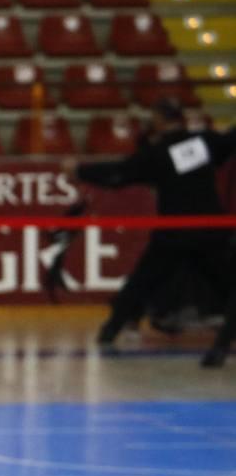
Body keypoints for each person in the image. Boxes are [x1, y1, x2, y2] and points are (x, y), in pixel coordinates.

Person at [65, 98, 236, 354]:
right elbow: (228, 143)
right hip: (209, 230)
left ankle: (110, 330)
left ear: (158, 120)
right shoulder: (204, 142)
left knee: (142, 281)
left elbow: (120, 173)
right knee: (226, 282)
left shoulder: (158, 154)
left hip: (174, 232)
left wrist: (79, 171)